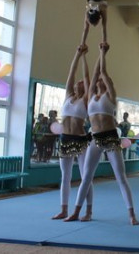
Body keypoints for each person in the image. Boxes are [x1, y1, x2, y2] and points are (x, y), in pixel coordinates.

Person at [65, 43, 139, 225]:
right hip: (95, 138)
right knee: (86, 177)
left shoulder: (111, 96)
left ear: (108, 83)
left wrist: (102, 53)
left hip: (111, 137)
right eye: (97, 80)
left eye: (103, 80)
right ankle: (76, 211)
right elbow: (93, 75)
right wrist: (89, 55)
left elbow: (102, 72)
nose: (98, 80)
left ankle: (131, 214)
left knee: (120, 177)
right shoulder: (91, 96)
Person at [52, 40, 92, 221]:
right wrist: (77, 53)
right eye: (78, 82)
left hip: (80, 139)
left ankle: (88, 211)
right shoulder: (68, 96)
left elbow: (86, 76)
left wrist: (84, 57)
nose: (78, 82)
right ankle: (64, 209)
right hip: (65, 138)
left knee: (85, 176)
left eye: (82, 82)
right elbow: (71, 72)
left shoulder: (86, 99)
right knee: (65, 176)